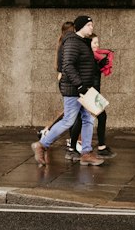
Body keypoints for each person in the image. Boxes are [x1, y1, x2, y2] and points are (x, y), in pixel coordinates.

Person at [32, 15, 104, 167]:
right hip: (74, 89)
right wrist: (79, 85)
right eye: (89, 25)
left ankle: (86, 153)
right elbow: (68, 66)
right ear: (81, 27)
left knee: (88, 119)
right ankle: (42, 144)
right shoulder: (72, 42)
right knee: (68, 120)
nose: (92, 27)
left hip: (85, 89)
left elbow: (84, 66)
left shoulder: (83, 42)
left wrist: (98, 67)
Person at [68, 33, 114, 158]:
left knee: (81, 119)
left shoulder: (94, 57)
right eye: (94, 42)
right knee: (83, 119)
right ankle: (78, 148)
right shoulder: (87, 58)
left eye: (98, 42)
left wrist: (101, 65)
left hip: (92, 92)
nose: (97, 45)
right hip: (88, 92)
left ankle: (75, 148)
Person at [38, 21, 75, 139]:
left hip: (64, 79)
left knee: (71, 112)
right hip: (67, 81)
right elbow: (62, 64)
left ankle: (47, 130)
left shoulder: (62, 42)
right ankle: (48, 132)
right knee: (72, 113)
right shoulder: (66, 43)